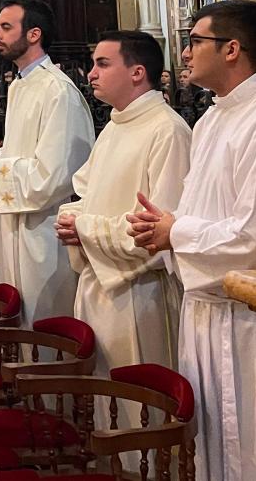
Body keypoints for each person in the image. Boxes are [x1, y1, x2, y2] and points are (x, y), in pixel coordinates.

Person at [127, 0, 256, 481]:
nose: (184, 52)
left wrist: (175, 231)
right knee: (210, 451)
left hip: (247, 322)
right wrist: (166, 227)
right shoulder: (210, 119)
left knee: (249, 448)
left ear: (231, 49)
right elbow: (211, 213)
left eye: (195, 41)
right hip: (204, 308)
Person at [56, 31, 190, 380]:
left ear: (137, 72)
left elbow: (159, 230)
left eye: (102, 63)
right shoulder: (115, 127)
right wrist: (73, 219)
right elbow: (85, 196)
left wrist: (82, 228)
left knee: (139, 408)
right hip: (97, 282)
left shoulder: (167, 131)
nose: (91, 74)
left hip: (140, 293)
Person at [0, 0, 94, 324]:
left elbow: (57, 174)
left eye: (5, 27)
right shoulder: (23, 85)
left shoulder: (58, 91)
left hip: (42, 227)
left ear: (34, 34)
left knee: (40, 317)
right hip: (14, 220)